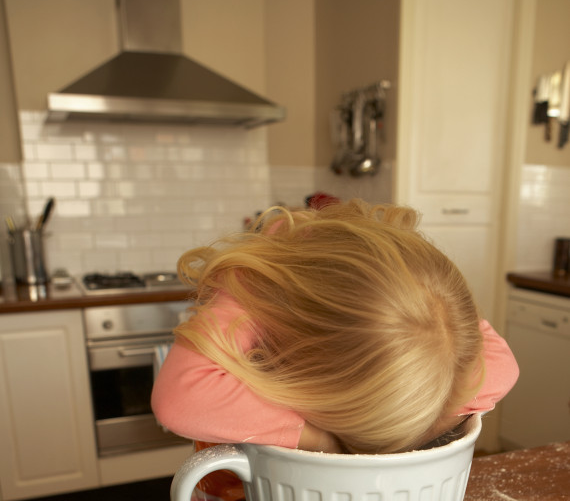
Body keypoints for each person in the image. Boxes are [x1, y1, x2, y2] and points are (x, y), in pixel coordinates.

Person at [152, 200, 518, 480]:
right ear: (306, 363)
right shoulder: (253, 286)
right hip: (235, 499)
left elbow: (503, 367)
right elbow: (176, 400)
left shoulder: (424, 298)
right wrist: (323, 442)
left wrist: (432, 416)